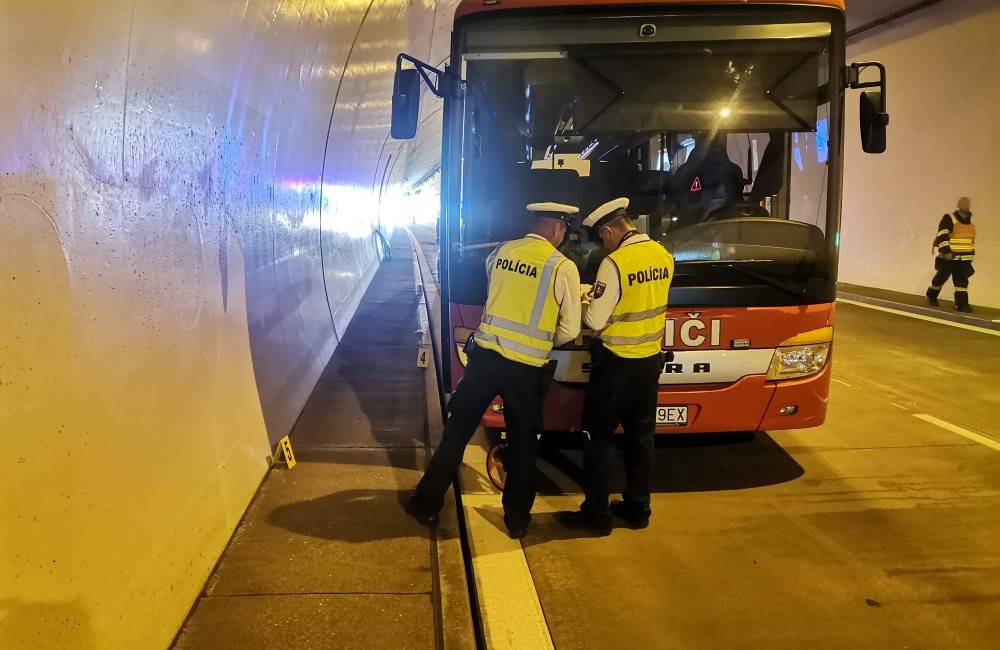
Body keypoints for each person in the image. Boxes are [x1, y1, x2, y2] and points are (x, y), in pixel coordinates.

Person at [405, 202, 583, 538]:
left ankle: (426, 503)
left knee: (457, 433)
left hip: (485, 359)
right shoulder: (562, 267)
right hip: (526, 369)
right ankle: (517, 521)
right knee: (523, 445)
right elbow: (570, 330)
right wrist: (542, 338)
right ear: (558, 229)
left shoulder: (501, 252)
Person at [571, 197, 674, 534]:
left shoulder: (614, 264)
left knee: (598, 438)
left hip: (615, 366)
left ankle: (598, 515)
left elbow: (596, 320)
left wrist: (586, 300)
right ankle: (637, 509)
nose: (603, 244)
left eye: (603, 238)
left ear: (610, 229)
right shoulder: (663, 255)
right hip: (649, 363)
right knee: (641, 438)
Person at [926, 197, 976, 313]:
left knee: (961, 282)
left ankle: (962, 304)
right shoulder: (949, 218)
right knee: (941, 278)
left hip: (963, 259)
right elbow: (942, 235)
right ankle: (931, 296)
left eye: (967, 203)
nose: (965, 205)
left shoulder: (971, 222)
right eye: (963, 203)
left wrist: (971, 255)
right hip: (948, 257)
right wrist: (946, 251)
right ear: (958, 204)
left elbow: (970, 240)